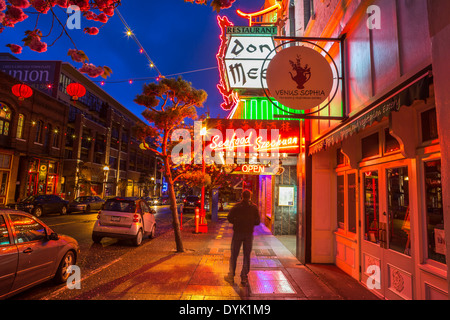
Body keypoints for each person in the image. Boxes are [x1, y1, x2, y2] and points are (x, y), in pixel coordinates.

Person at [224, 189, 260, 286]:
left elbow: (229, 217)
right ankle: (244, 277)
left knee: (234, 254)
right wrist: (250, 223)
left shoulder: (237, 207)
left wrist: (236, 222)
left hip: (238, 233)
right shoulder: (254, 208)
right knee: (246, 255)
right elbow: (258, 221)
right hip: (248, 234)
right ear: (250, 197)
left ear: (242, 196)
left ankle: (231, 275)